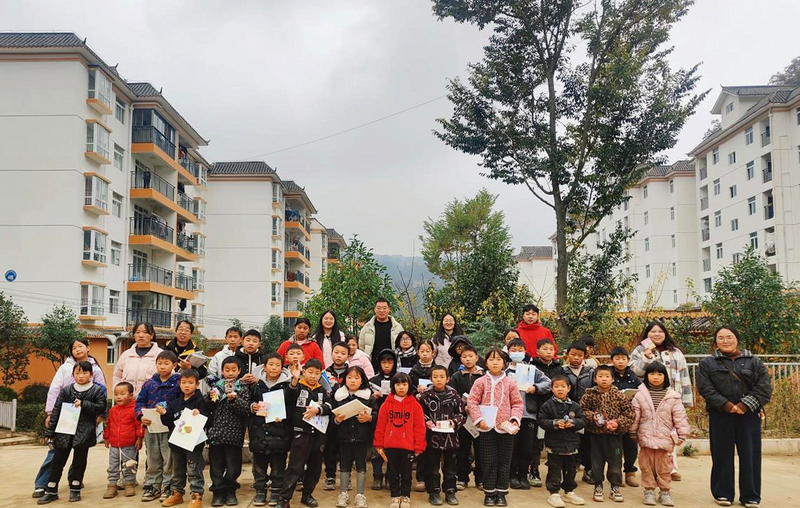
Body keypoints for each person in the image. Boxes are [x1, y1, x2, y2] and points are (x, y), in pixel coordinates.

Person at [697, 326, 772, 508]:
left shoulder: (754, 361)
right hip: (720, 414)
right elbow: (705, 388)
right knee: (721, 454)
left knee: (750, 455)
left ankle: (750, 496)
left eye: (729, 337)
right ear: (716, 341)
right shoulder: (707, 364)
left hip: (749, 415)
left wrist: (744, 405)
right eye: (721, 338)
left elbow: (764, 388)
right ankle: (723, 493)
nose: (725, 341)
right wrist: (727, 405)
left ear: (737, 339)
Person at [33, 338, 107, 499]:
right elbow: (54, 391)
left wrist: (100, 414)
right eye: (74, 347)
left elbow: (102, 394)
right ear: (73, 374)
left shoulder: (96, 369)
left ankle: (75, 485)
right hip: (65, 421)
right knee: (56, 455)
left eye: (80, 346)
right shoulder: (65, 369)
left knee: (80, 456)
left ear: (88, 347)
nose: (77, 349)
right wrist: (50, 415)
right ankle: (44, 485)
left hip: (85, 422)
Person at [629, 321, 693, 481]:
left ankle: (671, 468)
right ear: (647, 334)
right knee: (648, 433)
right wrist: (646, 357)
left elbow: (684, 375)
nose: (657, 334)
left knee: (670, 433)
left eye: (660, 331)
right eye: (653, 331)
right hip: (649, 399)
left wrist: (685, 400)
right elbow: (634, 372)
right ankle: (651, 469)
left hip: (671, 398)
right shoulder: (639, 350)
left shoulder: (676, 352)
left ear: (665, 334)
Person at [467, 347, 523, 507]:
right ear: (486, 363)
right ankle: (489, 493)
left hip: (505, 429)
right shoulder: (480, 382)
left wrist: (514, 420)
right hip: (486, 428)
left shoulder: (510, 382)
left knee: (505, 461)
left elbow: (517, 403)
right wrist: (479, 420)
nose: (495, 363)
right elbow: (472, 401)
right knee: (488, 461)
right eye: (491, 359)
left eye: (498, 359)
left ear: (504, 363)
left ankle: (502, 493)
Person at [630, 362, 690, 507]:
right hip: (646, 437)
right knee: (646, 467)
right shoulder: (639, 395)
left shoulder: (673, 396)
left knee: (664, 467)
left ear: (665, 376)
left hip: (664, 438)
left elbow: (680, 417)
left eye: (659, 374)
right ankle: (649, 491)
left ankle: (665, 492)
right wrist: (632, 431)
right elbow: (635, 415)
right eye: (652, 374)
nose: (655, 377)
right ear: (646, 376)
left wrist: (682, 433)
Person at [278, 359, 332, 508]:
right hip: (301, 433)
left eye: (317, 373)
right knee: (295, 466)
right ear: (304, 371)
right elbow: (288, 398)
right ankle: (284, 499)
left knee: (315, 467)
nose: (313, 376)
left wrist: (318, 409)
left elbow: (330, 405)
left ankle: (307, 495)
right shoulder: (297, 386)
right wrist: (294, 380)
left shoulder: (322, 389)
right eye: (310, 372)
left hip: (318, 434)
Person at [579, 365, 635, 503]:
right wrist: (593, 417)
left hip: (614, 436)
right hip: (596, 435)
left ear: (612, 379)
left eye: (607, 376)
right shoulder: (589, 395)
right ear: (595, 379)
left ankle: (615, 487)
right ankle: (598, 486)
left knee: (615, 463)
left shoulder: (619, 395)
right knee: (596, 463)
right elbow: (582, 410)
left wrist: (618, 423)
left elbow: (629, 414)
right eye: (600, 376)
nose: (604, 379)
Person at [374, 372, 427, 508]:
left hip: (408, 447)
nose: (401, 387)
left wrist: (419, 446)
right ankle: (395, 497)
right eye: (398, 384)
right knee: (392, 473)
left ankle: (405, 497)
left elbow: (420, 428)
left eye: (404, 384)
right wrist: (379, 444)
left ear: (409, 386)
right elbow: (380, 426)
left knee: (406, 474)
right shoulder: (386, 405)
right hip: (390, 446)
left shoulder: (415, 405)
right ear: (393, 386)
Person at [157, 369, 208, 508]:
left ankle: (196, 495)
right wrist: (164, 413)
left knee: (193, 470)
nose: (186, 385)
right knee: (177, 470)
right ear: (179, 383)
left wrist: (200, 413)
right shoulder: (175, 402)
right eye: (184, 382)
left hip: (194, 445)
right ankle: (176, 493)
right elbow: (167, 422)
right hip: (176, 444)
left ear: (197, 384)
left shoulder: (201, 400)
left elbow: (208, 419)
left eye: (190, 383)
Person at [418, 365, 467, 506]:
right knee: (432, 467)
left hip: (450, 439)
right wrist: (427, 421)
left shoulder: (454, 395)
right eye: (435, 377)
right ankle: (433, 492)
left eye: (441, 377)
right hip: (432, 438)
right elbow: (420, 413)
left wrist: (454, 422)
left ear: (448, 379)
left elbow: (462, 413)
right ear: (430, 379)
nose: (438, 380)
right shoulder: (425, 396)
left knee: (450, 467)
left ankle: (450, 491)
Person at [136, 350, 181, 503]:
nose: (162, 367)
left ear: (174, 365)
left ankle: (168, 486)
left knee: (169, 457)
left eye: (166, 363)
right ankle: (153, 485)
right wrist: (141, 416)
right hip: (151, 427)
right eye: (159, 363)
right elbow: (140, 402)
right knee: (152, 456)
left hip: (169, 427)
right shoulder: (149, 384)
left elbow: (182, 402)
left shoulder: (178, 383)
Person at [248, 353, 293, 507]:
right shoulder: (255, 386)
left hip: (280, 432)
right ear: (264, 367)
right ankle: (260, 491)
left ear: (282, 368)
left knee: (278, 465)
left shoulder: (286, 386)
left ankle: (276, 491)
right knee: (259, 466)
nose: (274, 368)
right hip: (259, 432)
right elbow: (249, 401)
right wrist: (253, 407)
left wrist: (284, 416)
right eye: (271, 364)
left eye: (277, 365)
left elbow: (291, 404)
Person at [205, 357, 251, 506]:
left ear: (239, 371)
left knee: (233, 466)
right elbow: (208, 406)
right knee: (216, 466)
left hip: (234, 434)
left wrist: (234, 400)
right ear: (222, 371)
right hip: (216, 434)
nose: (230, 373)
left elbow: (245, 409)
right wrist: (210, 398)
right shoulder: (216, 387)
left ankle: (231, 491)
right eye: (227, 370)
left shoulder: (242, 388)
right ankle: (218, 492)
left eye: (233, 370)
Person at [505, 338, 550, 491]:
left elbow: (548, 383)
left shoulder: (531, 369)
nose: (517, 353)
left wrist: (535, 388)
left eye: (520, 350)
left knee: (527, 448)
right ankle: (512, 476)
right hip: (510, 415)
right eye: (513, 350)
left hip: (528, 414)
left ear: (525, 352)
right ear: (508, 352)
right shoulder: (505, 371)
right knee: (512, 447)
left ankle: (523, 475)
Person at [538, 374, 587, 508]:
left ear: (569, 388)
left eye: (563, 386)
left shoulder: (575, 406)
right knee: (554, 468)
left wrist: (573, 423)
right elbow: (541, 420)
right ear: (552, 388)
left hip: (572, 444)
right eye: (556, 386)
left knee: (571, 469)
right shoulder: (547, 405)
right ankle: (554, 493)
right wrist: (554, 423)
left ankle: (569, 491)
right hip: (554, 444)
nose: (560, 389)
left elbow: (583, 420)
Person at [332, 366, 375, 508]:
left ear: (362, 380)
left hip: (362, 438)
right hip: (344, 437)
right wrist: (337, 420)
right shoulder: (339, 396)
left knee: (361, 466)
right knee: (344, 466)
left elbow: (376, 414)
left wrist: (369, 418)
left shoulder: (368, 396)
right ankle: (343, 493)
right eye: (349, 377)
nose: (352, 381)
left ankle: (360, 495)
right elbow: (332, 417)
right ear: (344, 379)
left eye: (356, 378)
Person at [448, 344, 485, 491]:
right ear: (460, 359)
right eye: (464, 357)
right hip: (463, 419)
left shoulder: (483, 376)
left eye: (470, 356)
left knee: (480, 450)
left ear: (477, 358)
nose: (468, 359)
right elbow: (453, 395)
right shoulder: (456, 376)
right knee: (462, 450)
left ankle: (480, 479)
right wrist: (463, 406)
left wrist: (477, 408)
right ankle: (462, 478)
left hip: (480, 418)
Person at [530, 338, 563, 487]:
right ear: (537, 351)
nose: (549, 352)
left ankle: (554, 473)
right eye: (545, 349)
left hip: (555, 410)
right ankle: (534, 470)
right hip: (537, 408)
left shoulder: (559, 367)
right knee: (536, 443)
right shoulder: (532, 367)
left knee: (555, 442)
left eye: (551, 349)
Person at [103, 381, 144, 499]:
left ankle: (129, 484)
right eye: (116, 394)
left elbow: (139, 425)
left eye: (122, 394)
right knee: (113, 466)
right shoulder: (113, 410)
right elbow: (109, 424)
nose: (118, 397)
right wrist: (107, 437)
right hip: (114, 445)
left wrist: (139, 438)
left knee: (129, 465)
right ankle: (112, 485)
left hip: (129, 444)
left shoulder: (134, 409)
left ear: (130, 395)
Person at [561, 341, 594, 483]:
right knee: (571, 441)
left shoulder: (590, 372)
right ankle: (571, 469)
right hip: (568, 412)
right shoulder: (562, 371)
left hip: (586, 412)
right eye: (573, 354)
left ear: (585, 356)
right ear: (567, 354)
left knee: (588, 443)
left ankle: (588, 470)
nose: (576, 358)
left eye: (580, 355)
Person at [609, 346, 642, 488]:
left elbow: (641, 391)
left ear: (628, 360)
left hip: (629, 416)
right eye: (617, 359)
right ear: (612, 360)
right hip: (613, 416)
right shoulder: (608, 375)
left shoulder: (632, 375)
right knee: (616, 447)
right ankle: (616, 474)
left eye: (623, 359)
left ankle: (630, 472)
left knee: (631, 446)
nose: (621, 361)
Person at [368, 349, 398, 490]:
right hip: (377, 420)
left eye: (390, 362)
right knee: (377, 449)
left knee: (393, 449)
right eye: (383, 362)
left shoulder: (400, 379)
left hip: (395, 420)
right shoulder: (372, 381)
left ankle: (390, 476)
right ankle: (377, 476)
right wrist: (372, 397)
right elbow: (365, 400)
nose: (386, 365)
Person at [324, 343, 352, 490]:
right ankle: (330, 476)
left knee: (346, 448)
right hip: (330, 415)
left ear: (348, 356)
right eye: (336, 352)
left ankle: (347, 478)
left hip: (348, 415)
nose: (339, 355)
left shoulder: (352, 373)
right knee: (330, 447)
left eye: (343, 353)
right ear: (331, 354)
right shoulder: (325, 373)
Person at [114, 321, 163, 397]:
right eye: (137, 332)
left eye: (145, 332)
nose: (141, 335)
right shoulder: (126, 355)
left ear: (152, 335)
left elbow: (168, 377)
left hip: (150, 400)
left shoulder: (160, 354)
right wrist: (120, 393)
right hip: (127, 400)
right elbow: (116, 376)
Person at [359, 298, 404, 368]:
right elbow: (361, 347)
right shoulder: (367, 327)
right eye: (378, 308)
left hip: (392, 365)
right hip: (372, 365)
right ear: (374, 309)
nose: (381, 310)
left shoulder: (397, 327)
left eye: (384, 308)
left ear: (389, 309)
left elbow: (402, 346)